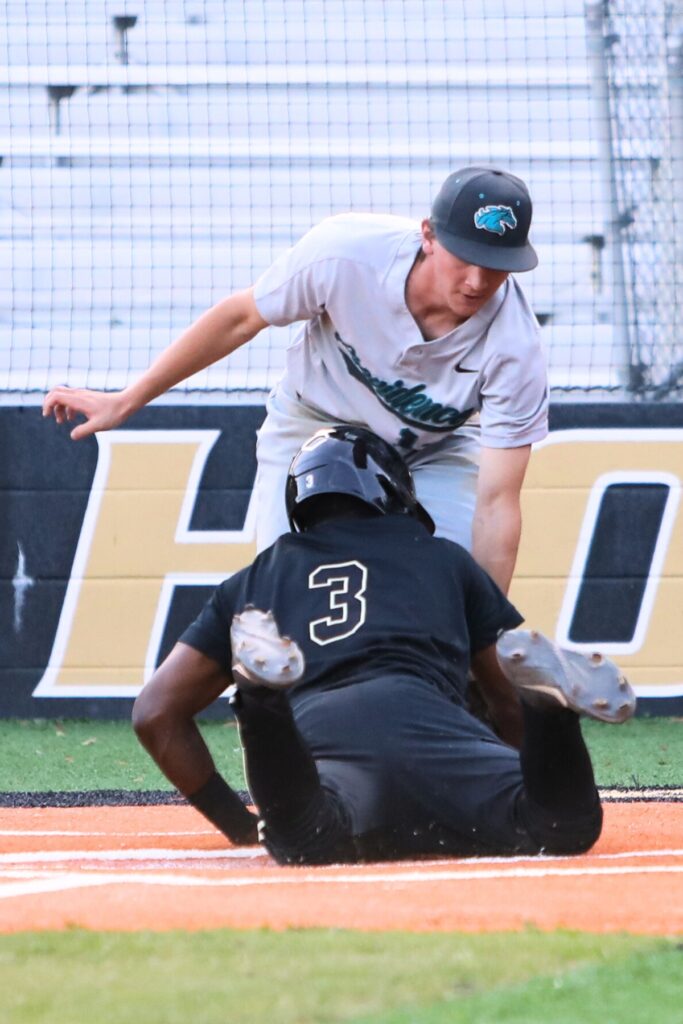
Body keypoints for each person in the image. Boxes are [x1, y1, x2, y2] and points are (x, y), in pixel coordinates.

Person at [132, 425, 636, 865]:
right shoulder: (445, 559)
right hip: (440, 733)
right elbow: (504, 701)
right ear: (394, 491)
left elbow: (155, 713)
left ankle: (261, 701)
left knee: (306, 839)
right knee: (562, 829)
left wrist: (238, 825)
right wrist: (503, 770)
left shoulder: (255, 578)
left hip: (332, 749)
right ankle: (552, 717)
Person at [43, 166, 548, 594]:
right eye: (465, 259)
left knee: (451, 592)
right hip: (312, 422)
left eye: (495, 266)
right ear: (429, 236)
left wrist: (488, 637)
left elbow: (497, 503)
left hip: (434, 449)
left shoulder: (516, 347)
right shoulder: (347, 254)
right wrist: (128, 400)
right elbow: (241, 318)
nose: (477, 282)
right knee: (285, 595)